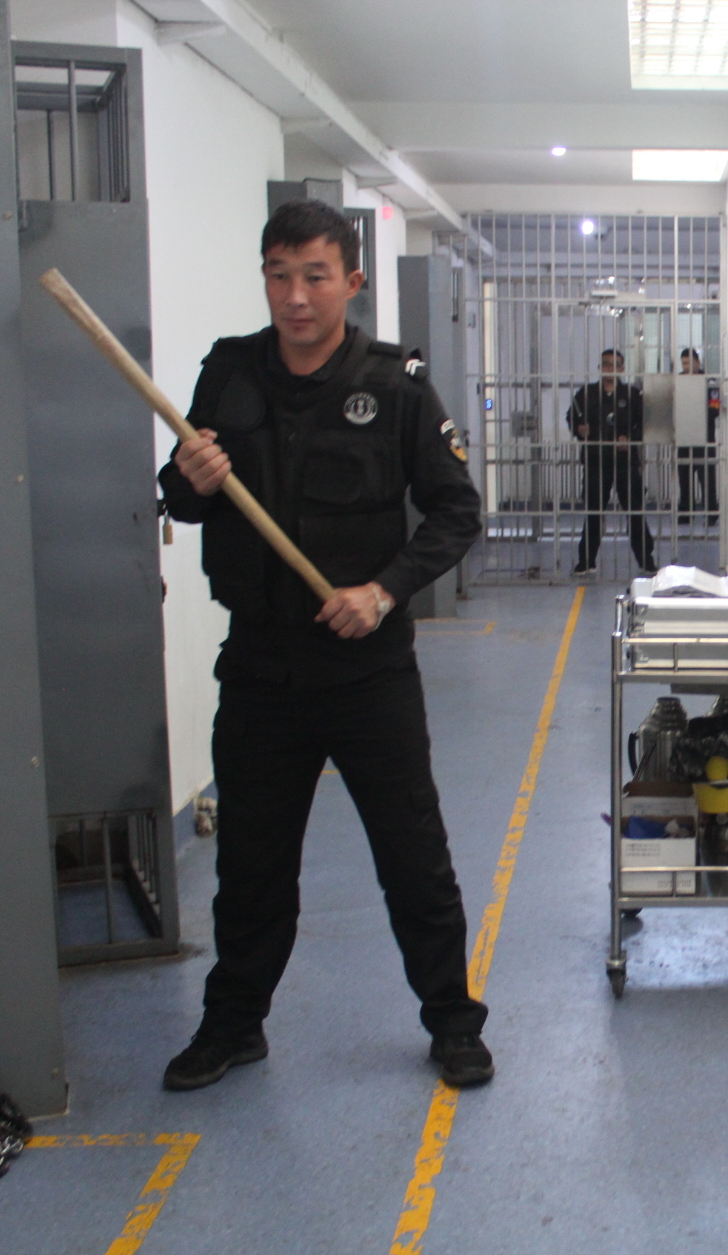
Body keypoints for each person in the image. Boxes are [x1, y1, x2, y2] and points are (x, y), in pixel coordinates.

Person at [155, 200, 494, 1091]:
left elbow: (457, 511)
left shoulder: (396, 386)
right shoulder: (229, 374)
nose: (295, 297)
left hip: (365, 671)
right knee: (251, 862)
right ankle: (233, 1025)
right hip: (260, 667)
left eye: (314, 276)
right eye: (279, 276)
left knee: (412, 854)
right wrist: (188, 480)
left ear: (353, 281)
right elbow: (181, 502)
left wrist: (383, 592)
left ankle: (453, 1022)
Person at [568, 348, 657, 575]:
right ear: (600, 367)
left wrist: (630, 440)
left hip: (625, 461)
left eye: (615, 364)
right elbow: (572, 417)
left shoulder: (632, 394)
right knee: (594, 512)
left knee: (635, 511)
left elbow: (643, 424)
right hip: (596, 461)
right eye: (606, 364)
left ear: (622, 368)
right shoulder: (587, 394)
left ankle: (646, 559)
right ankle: (586, 561)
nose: (610, 368)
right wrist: (579, 429)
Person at [675, 347, 719, 522]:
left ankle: (711, 513)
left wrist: (695, 410)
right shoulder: (679, 381)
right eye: (683, 363)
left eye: (688, 363)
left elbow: (714, 409)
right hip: (684, 437)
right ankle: (686, 513)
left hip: (705, 437)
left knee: (707, 478)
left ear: (698, 362)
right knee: (684, 478)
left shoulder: (709, 382)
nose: (686, 366)